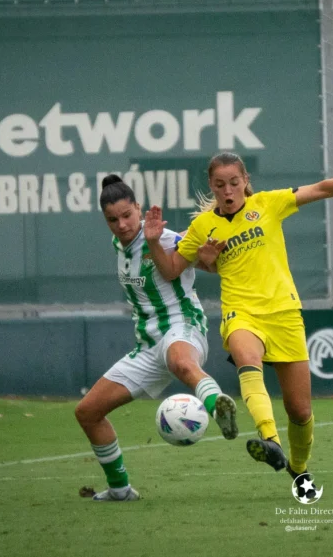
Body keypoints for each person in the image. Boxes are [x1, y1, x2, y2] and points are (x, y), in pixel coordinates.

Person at [143, 152, 333, 484]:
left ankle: (298, 468)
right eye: (219, 185)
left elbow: (321, 188)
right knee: (246, 356)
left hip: (284, 312)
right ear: (211, 187)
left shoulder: (268, 204)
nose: (228, 191)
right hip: (241, 311)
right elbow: (171, 269)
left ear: (245, 181)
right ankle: (269, 440)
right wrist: (155, 242)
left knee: (300, 412)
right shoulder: (202, 227)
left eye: (233, 183)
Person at [74, 174, 239, 502]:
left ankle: (218, 406)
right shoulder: (119, 244)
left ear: (138, 208)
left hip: (183, 328)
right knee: (87, 412)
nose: (121, 225)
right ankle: (120, 489)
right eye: (112, 220)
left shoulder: (164, 239)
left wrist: (208, 258)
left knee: (180, 361)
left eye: (126, 215)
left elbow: (207, 262)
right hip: (148, 347)